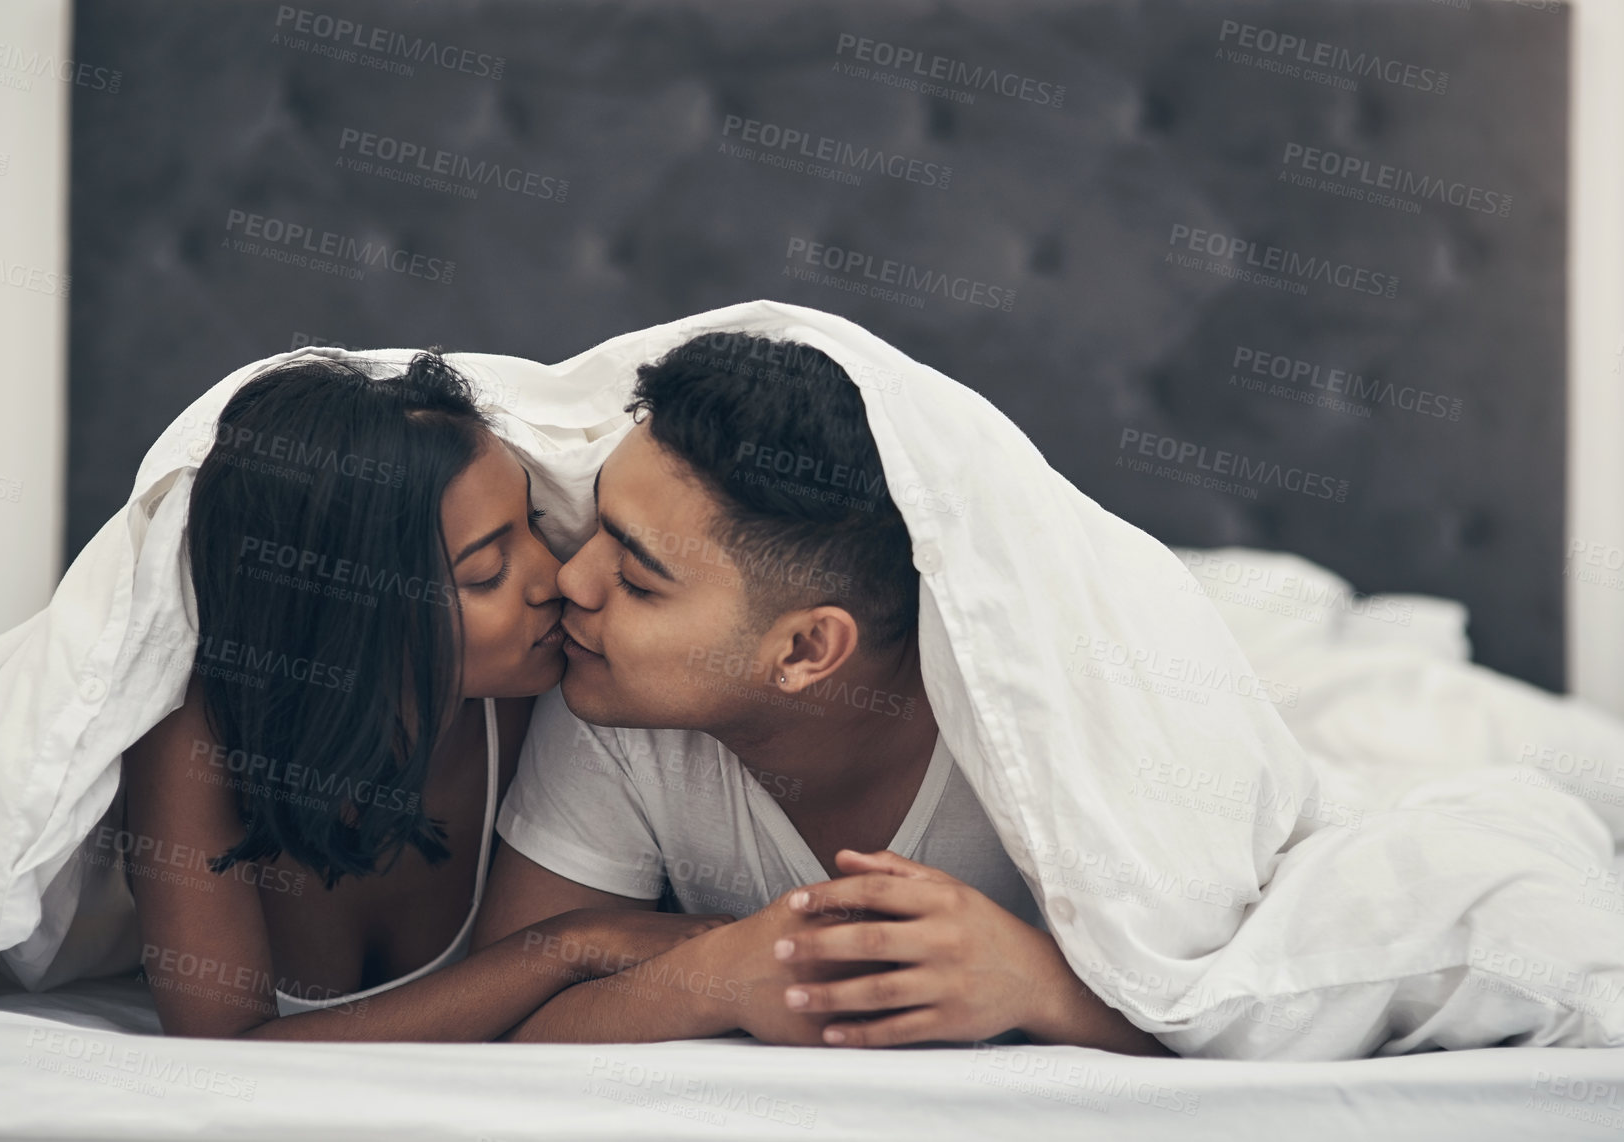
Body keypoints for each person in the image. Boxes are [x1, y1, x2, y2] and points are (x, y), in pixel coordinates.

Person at [474, 333, 1170, 1054]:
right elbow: (502, 1020)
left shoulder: (1059, 728)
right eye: (596, 527)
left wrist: (1039, 983)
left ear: (806, 650)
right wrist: (713, 975)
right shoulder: (608, 690)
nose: (571, 580)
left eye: (638, 582)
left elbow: (1243, 1025)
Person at [120, 350, 723, 1039]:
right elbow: (225, 1054)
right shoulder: (199, 739)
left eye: (533, 523)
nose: (552, 577)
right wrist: (567, 947)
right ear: (349, 616)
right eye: (487, 572)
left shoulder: (540, 709)